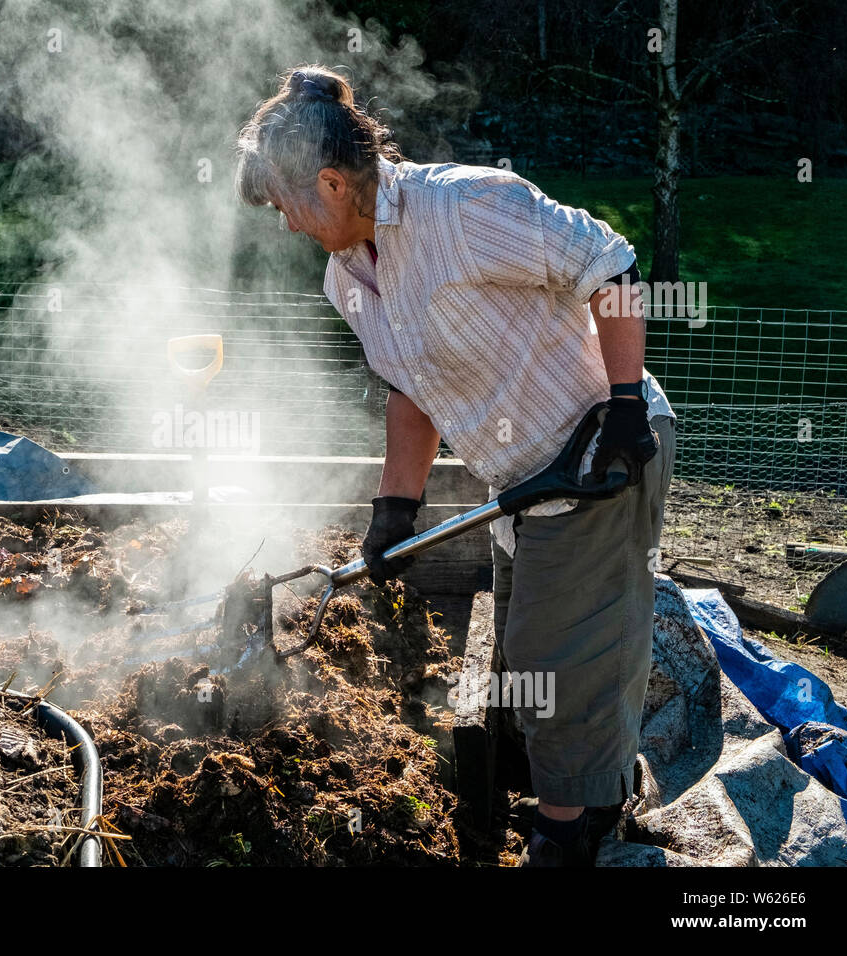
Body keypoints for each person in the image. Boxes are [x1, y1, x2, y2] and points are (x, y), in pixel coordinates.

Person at [235, 65, 677, 866]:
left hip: (604, 451)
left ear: (332, 182)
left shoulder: (465, 206)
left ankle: (565, 836)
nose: (287, 225)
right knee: (524, 645)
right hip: (526, 476)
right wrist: (393, 509)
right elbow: (413, 392)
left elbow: (610, 264)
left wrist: (620, 406)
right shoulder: (348, 279)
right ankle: (590, 798)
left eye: (285, 205)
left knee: (557, 657)